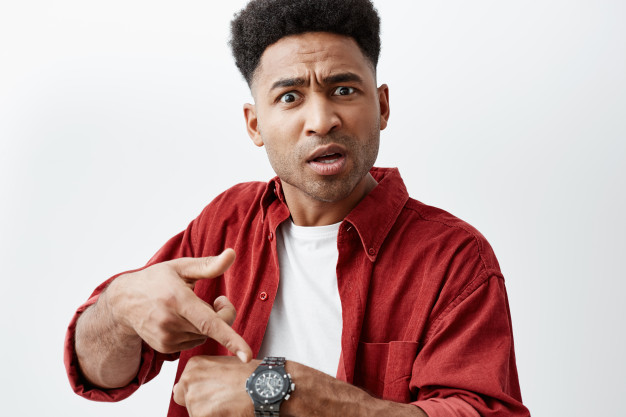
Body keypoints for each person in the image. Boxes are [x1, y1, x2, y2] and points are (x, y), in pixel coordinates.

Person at [64, 0, 530, 416]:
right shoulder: (223, 225)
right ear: (255, 124)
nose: (322, 120)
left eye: (344, 90)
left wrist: (294, 391)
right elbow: (100, 371)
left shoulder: (454, 259)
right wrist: (120, 308)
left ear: (383, 105)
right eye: (290, 97)